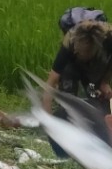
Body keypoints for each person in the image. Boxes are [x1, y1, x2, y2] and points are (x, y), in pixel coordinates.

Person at [42, 19, 112, 156]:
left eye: (83, 53)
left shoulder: (109, 40)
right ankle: (70, 140)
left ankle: (100, 139)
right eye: (78, 52)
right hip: (71, 67)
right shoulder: (70, 44)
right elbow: (51, 81)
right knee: (68, 102)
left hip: (98, 61)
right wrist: (46, 117)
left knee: (97, 100)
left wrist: (104, 82)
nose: (79, 53)